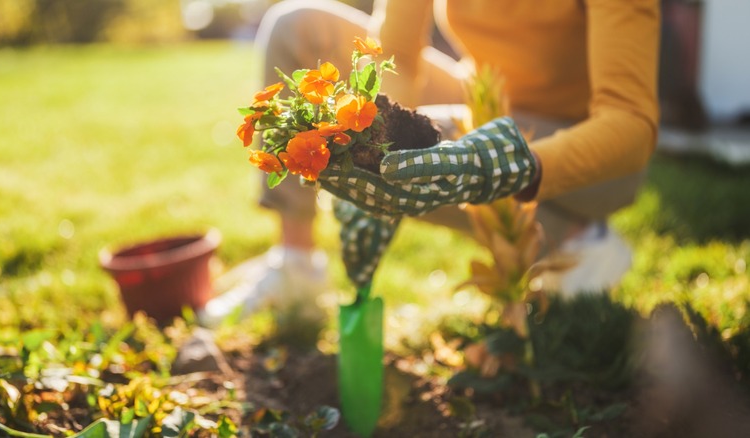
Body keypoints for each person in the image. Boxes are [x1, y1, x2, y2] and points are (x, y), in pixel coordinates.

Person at [198, 0, 660, 327]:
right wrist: (377, 147)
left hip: (591, 152)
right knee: (297, 26)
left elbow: (631, 125)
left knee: (450, 137)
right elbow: (397, 56)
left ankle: (570, 234)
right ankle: (296, 265)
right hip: (483, 102)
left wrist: (509, 162)